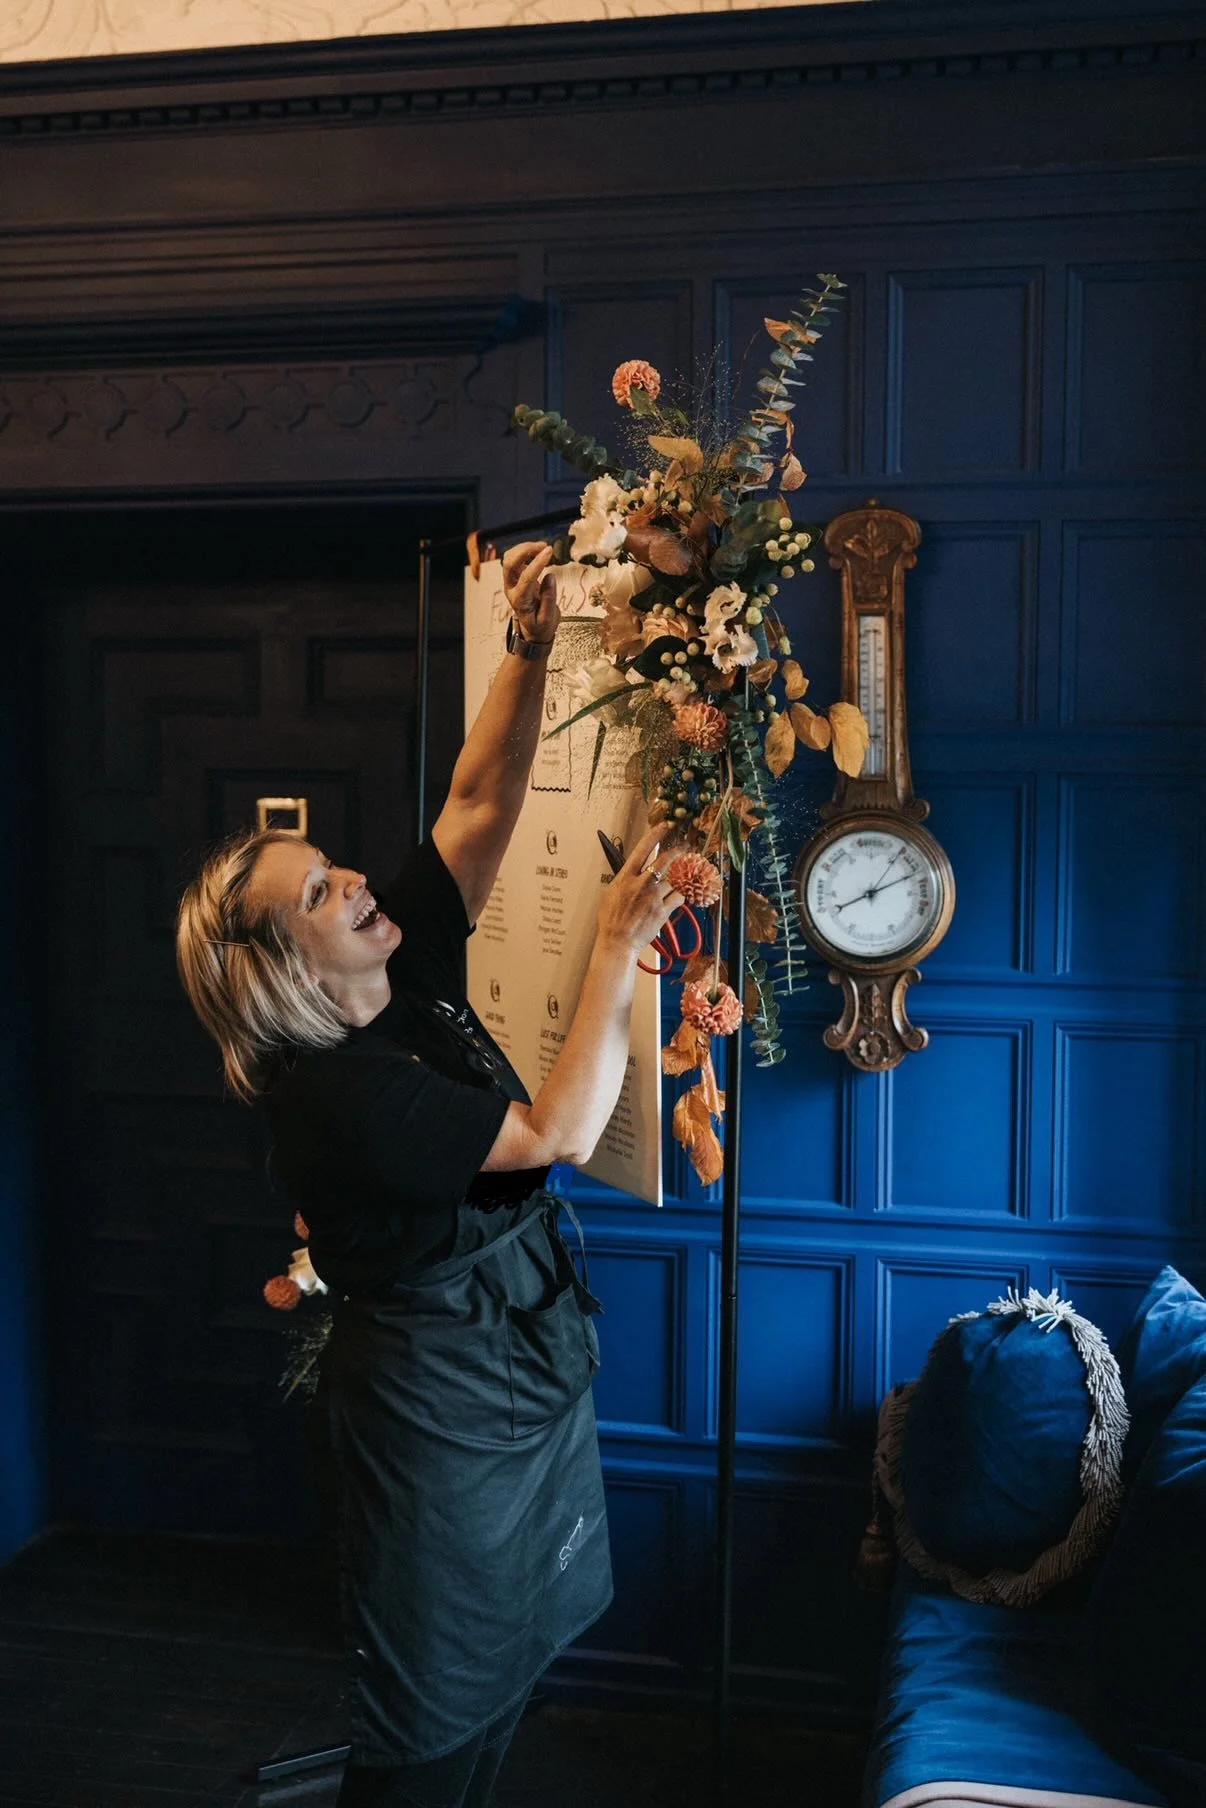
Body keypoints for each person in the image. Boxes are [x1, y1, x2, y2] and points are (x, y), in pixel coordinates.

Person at [175, 542, 683, 1808]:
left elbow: (475, 806)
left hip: (509, 1369)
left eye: (336, 867)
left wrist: (527, 641)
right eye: (322, 892)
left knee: (511, 1675)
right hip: (441, 1422)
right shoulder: (335, 1093)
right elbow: (557, 1131)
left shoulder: (391, 971)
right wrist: (619, 938)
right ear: (286, 966)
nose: (353, 879)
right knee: (430, 1726)